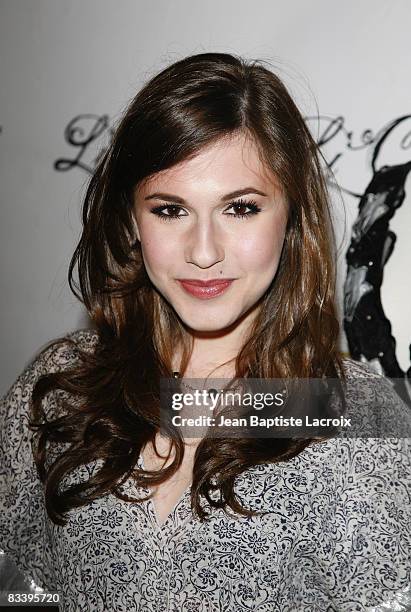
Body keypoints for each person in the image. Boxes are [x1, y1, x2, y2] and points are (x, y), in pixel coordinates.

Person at [0, 52, 410, 612]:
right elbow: (22, 590)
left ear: (292, 217)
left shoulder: (355, 414)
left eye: (240, 208)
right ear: (130, 220)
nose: (204, 252)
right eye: (170, 210)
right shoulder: (61, 386)